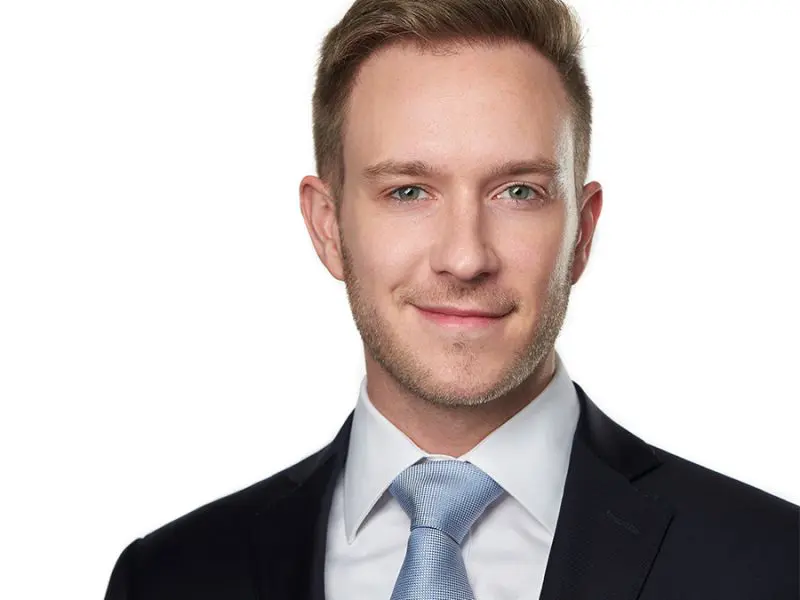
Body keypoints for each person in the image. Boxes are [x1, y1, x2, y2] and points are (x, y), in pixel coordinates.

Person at [104, 0, 799, 598]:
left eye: (518, 192)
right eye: (409, 191)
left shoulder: (775, 566)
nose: (466, 258)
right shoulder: (169, 578)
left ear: (582, 234)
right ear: (327, 227)